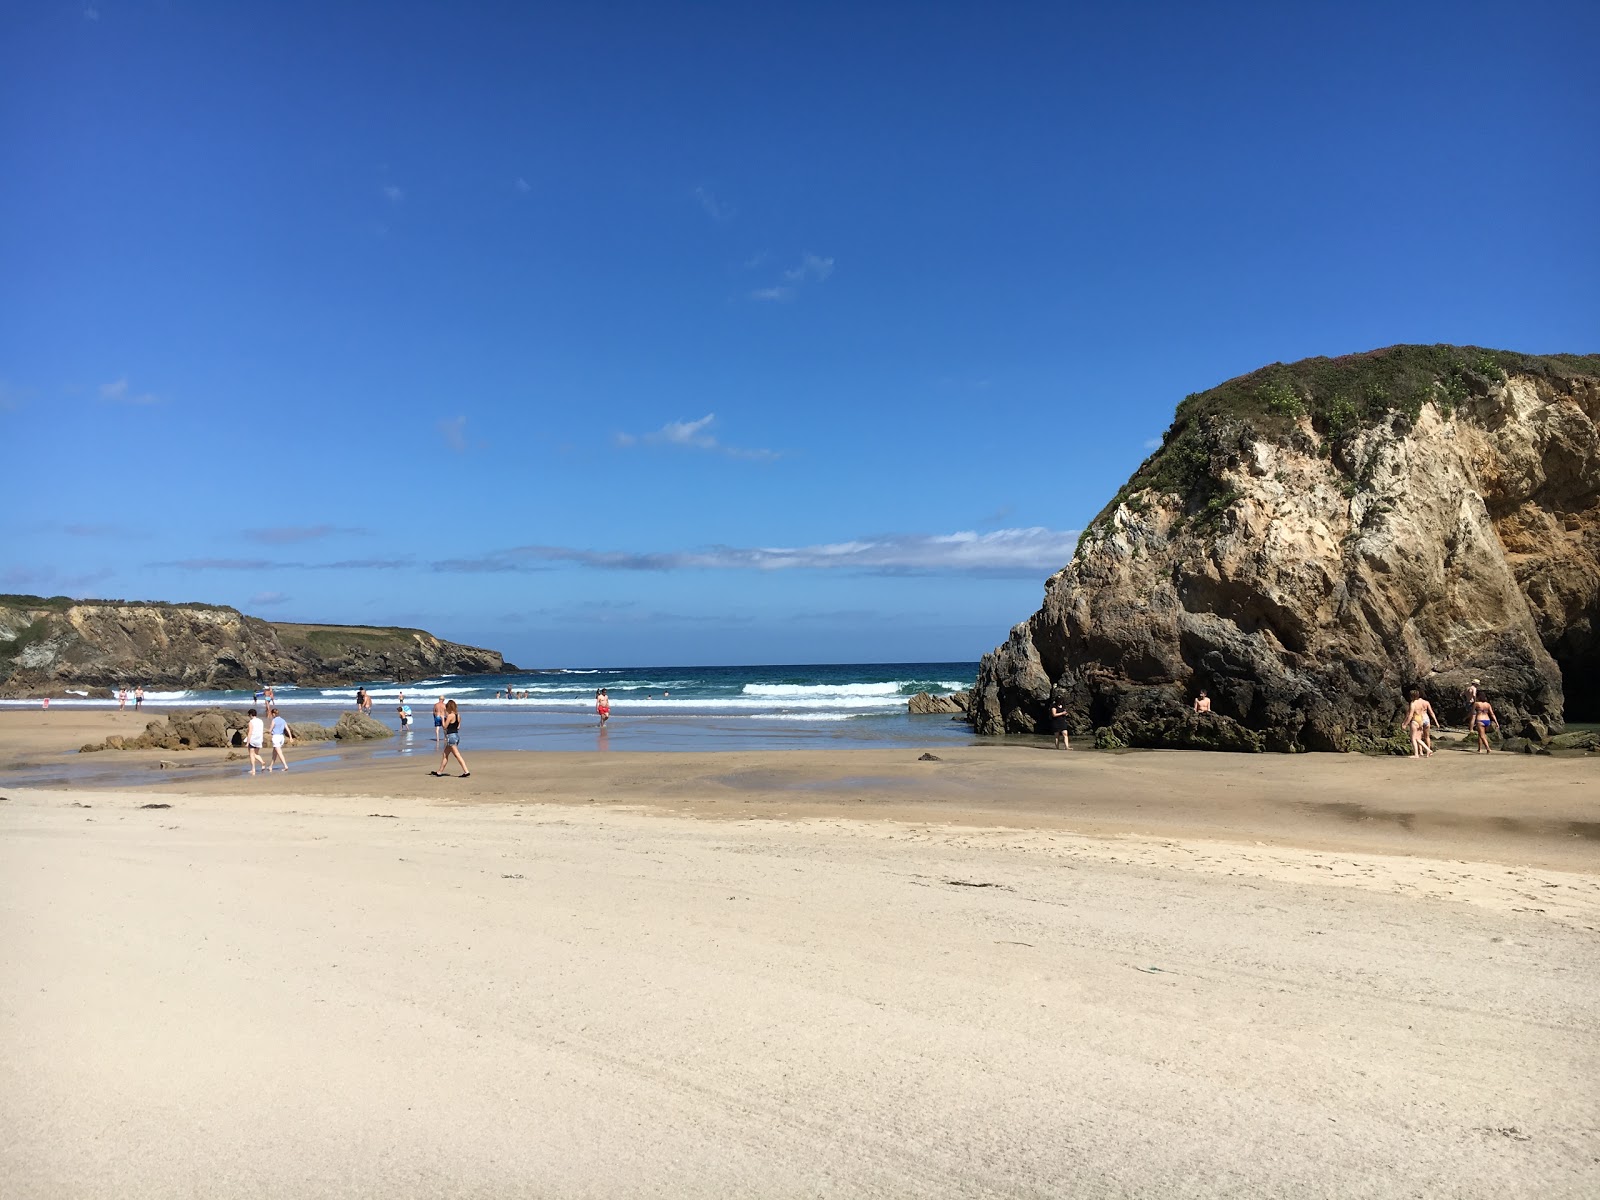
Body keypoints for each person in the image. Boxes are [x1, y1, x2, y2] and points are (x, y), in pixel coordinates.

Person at [432, 699, 469, 777]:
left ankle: (466, 771)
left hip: (451, 737)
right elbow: (458, 727)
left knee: (457, 755)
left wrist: (442, 719)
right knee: (445, 754)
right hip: (456, 735)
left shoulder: (450, 716)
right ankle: (439, 772)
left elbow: (445, 727)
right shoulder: (458, 715)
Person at [1405, 690, 1438, 758]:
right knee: (1422, 738)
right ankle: (1428, 750)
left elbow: (1410, 715)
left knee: (1414, 738)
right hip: (1422, 719)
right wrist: (1436, 722)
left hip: (1416, 719)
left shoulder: (1413, 703)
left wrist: (1405, 724)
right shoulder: (1425, 702)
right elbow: (1431, 712)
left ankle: (1418, 753)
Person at [245, 708, 266, 776]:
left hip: (252, 739)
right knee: (256, 753)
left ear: (251, 715)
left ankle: (254, 769)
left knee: (251, 754)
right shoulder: (261, 721)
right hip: (259, 738)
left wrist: (247, 742)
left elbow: (250, 732)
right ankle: (262, 763)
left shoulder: (251, 722)